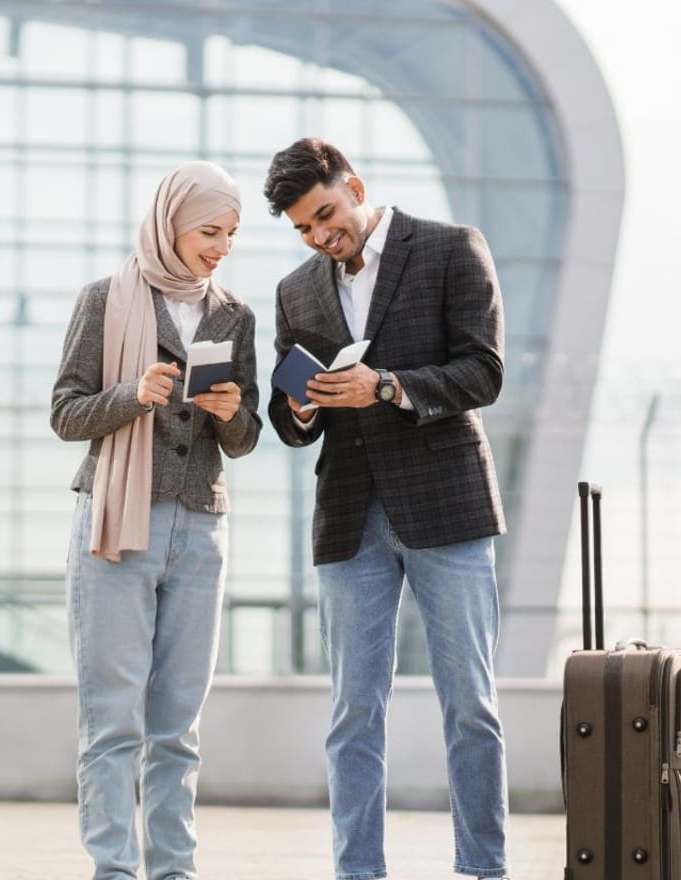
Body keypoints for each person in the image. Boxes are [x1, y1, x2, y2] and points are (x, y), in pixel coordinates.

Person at [262, 138, 511, 880]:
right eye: (303, 227)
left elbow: (484, 371)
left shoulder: (451, 248)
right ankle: (357, 872)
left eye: (326, 215)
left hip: (448, 507)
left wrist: (388, 386)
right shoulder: (295, 290)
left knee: (471, 704)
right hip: (349, 516)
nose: (318, 236)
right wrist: (302, 407)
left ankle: (482, 870)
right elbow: (287, 419)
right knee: (353, 714)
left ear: (355, 186)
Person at [50, 160, 261, 880]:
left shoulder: (235, 314)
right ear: (171, 223)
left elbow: (247, 434)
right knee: (112, 723)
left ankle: (175, 872)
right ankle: (114, 870)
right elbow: (65, 413)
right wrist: (133, 395)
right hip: (116, 526)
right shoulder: (106, 300)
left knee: (178, 731)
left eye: (231, 233)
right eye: (209, 231)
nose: (221, 245)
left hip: (200, 529)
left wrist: (233, 417)